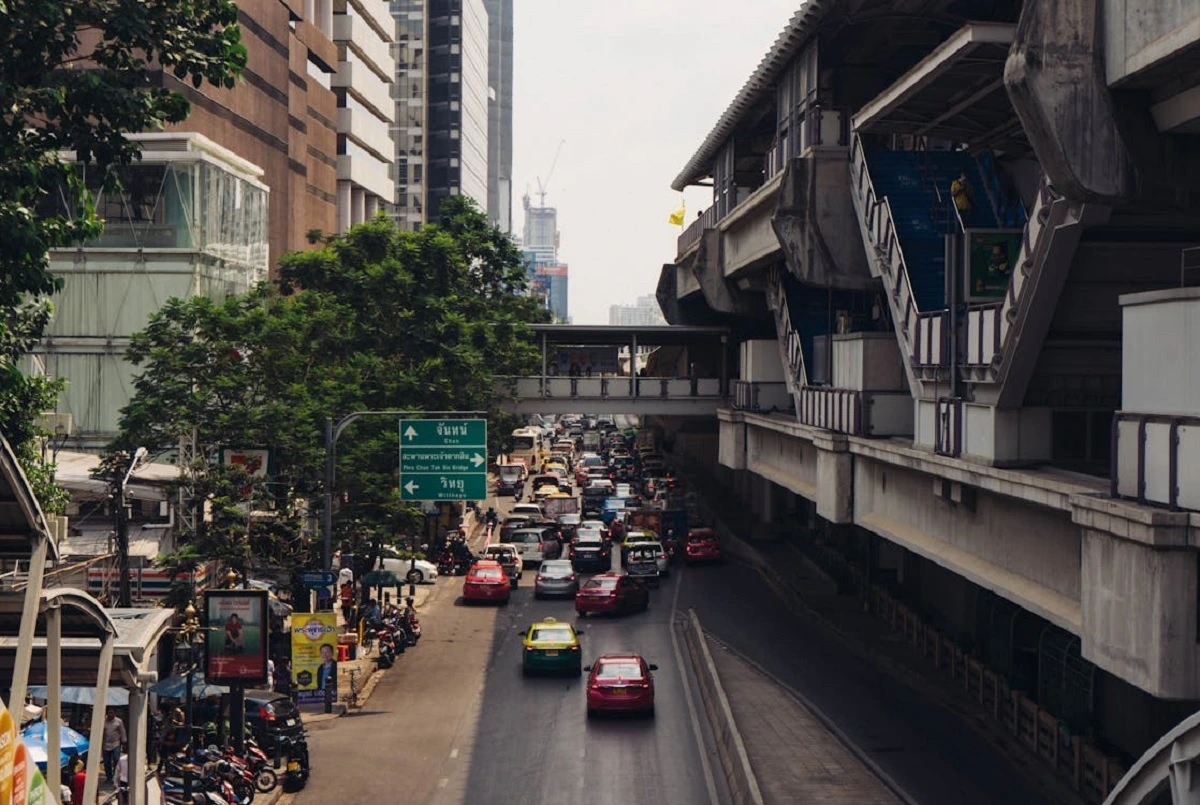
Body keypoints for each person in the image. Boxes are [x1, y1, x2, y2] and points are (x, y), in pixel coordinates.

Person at [102, 709, 126, 784]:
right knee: (106, 762)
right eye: (109, 713)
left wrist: (124, 740)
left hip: (116, 743)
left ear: (114, 713)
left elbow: (122, 731)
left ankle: (116, 776)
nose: (110, 714)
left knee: (116, 759)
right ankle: (109, 777)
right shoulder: (104, 722)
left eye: (112, 713)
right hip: (106, 744)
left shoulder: (119, 721)